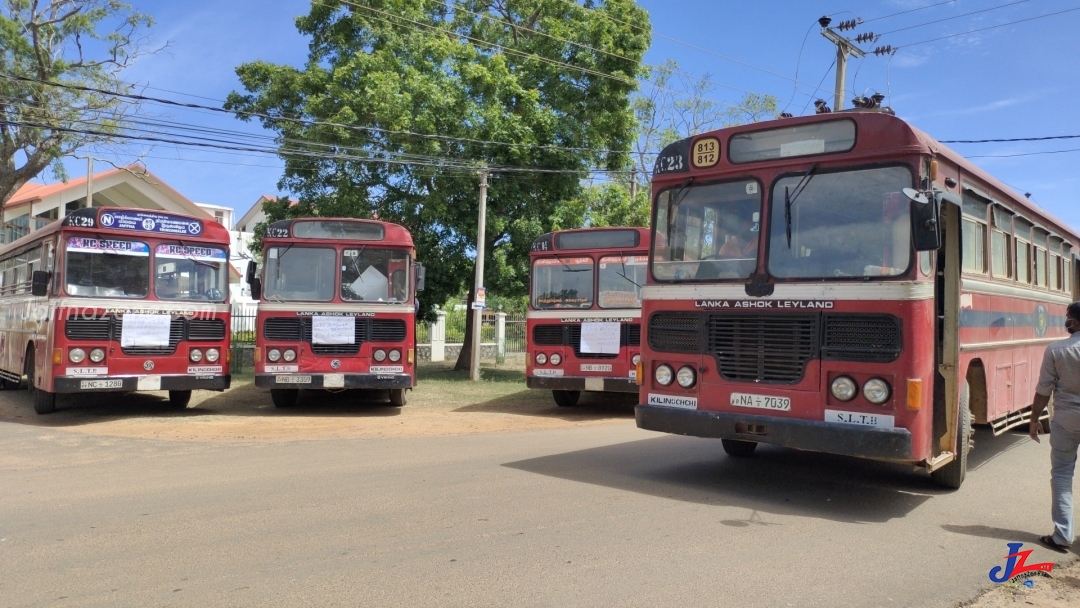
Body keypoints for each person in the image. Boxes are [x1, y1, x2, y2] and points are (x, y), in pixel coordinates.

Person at [1029, 300, 1080, 553]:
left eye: (1069, 317)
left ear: (1076, 322)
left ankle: (1062, 535)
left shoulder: (1056, 350)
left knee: (1061, 474)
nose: (1066, 321)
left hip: (1066, 418)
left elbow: (1044, 389)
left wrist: (1034, 418)